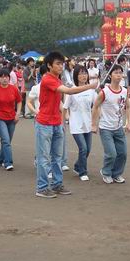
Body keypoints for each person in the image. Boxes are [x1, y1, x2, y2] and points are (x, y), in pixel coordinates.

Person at [35, 52, 97, 198]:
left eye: (62, 64)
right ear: (49, 65)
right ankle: (42, 188)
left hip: (56, 122)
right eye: (57, 64)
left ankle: (57, 185)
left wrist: (63, 120)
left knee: (57, 157)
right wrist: (89, 86)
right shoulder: (47, 79)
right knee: (44, 158)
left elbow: (59, 102)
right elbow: (68, 91)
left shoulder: (57, 79)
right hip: (44, 123)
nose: (61, 66)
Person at [92, 64, 130, 185]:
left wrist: (129, 122)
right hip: (105, 128)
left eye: (120, 73)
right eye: (116, 73)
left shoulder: (124, 91)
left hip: (118, 127)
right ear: (110, 75)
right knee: (111, 154)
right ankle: (106, 172)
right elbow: (95, 106)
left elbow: (128, 107)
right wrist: (94, 124)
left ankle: (116, 174)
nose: (118, 75)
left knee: (123, 153)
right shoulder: (104, 92)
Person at [64, 65, 97, 181]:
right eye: (81, 73)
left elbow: (97, 104)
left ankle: (78, 166)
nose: (84, 76)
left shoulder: (91, 91)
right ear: (76, 76)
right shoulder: (72, 90)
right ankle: (83, 172)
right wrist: (64, 121)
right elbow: (65, 108)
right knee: (83, 148)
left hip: (87, 124)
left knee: (87, 150)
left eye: (85, 73)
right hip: (76, 125)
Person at [0, 68, 22, 170]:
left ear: (9, 78)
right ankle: (8, 162)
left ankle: (0, 159)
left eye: (6, 77)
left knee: (7, 141)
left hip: (12, 118)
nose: (4, 79)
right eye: (2, 77)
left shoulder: (14, 89)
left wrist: (18, 113)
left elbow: (19, 101)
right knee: (6, 140)